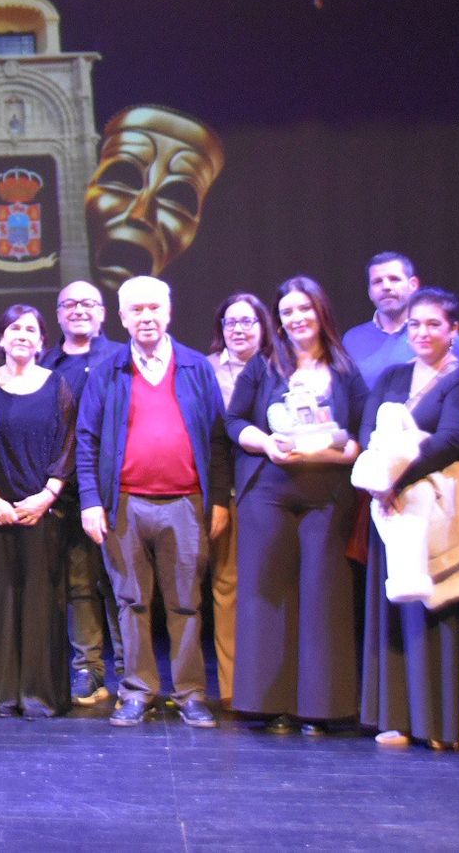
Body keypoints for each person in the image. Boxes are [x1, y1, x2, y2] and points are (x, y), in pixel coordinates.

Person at [75, 276, 231, 727]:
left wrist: (218, 500)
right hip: (124, 504)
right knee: (131, 601)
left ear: (168, 312)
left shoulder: (197, 367)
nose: (146, 317)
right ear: (122, 318)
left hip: (185, 503)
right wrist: (90, 500)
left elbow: (218, 442)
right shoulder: (108, 369)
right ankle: (138, 690)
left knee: (186, 601)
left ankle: (190, 693)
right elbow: (87, 438)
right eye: (136, 310)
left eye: (153, 309)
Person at [357, 288, 459, 750]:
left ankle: (447, 725)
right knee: (398, 610)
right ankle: (399, 718)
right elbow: (367, 430)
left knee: (442, 605)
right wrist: (382, 477)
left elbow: (454, 437)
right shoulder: (392, 376)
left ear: (453, 331)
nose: (422, 332)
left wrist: (398, 479)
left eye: (433, 325)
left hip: (438, 505)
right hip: (392, 506)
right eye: (415, 325)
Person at [225, 275, 367, 734]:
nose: (296, 318)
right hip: (268, 490)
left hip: (327, 494)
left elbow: (362, 436)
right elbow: (232, 421)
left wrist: (332, 453)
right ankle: (266, 704)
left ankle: (321, 709)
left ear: (320, 313)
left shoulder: (346, 369)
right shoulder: (264, 366)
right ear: (278, 322)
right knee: (267, 592)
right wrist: (265, 444)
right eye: (287, 312)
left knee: (323, 595)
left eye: (304, 309)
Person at [0, 304, 76, 717]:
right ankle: (4, 695)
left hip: (42, 511)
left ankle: (39, 696)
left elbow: (69, 444)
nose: (21, 334)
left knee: (41, 600)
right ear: (0, 339)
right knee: (1, 601)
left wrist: (48, 495)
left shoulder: (58, 386)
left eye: (30, 329)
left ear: (41, 341)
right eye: (13, 328)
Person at [37, 281, 123, 706]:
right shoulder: (44, 363)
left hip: (116, 488)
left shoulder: (122, 358)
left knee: (122, 584)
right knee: (79, 585)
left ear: (103, 312)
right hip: (64, 493)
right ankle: (89, 671)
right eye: (69, 304)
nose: (79, 310)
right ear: (58, 314)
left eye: (88, 303)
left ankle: (130, 672)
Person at [204, 292, 274, 708]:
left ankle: (268, 687)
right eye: (231, 322)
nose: (239, 329)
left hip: (269, 491)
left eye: (248, 321)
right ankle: (233, 690)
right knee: (226, 588)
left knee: (266, 588)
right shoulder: (205, 369)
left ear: (263, 327)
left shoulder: (281, 369)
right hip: (223, 492)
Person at [344, 252, 459, 387]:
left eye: (394, 279)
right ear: (370, 292)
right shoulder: (352, 340)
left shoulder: (441, 336)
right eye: (377, 282)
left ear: (413, 285)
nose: (386, 287)